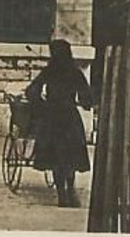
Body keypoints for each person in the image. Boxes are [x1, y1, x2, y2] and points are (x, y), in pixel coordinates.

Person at [26, 38, 95, 207]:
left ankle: (62, 194)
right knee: (70, 155)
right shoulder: (75, 72)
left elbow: (31, 91)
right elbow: (86, 97)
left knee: (55, 156)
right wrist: (86, 103)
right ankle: (70, 189)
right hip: (70, 117)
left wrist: (41, 105)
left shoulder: (49, 71)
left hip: (52, 118)